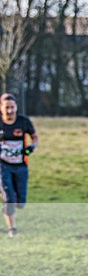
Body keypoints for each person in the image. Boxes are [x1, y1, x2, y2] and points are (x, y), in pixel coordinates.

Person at [0, 93, 38, 237]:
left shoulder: (23, 122)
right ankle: (12, 229)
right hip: (3, 165)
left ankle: (8, 196)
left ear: (16, 107)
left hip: (21, 165)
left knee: (20, 202)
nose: (10, 111)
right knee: (8, 198)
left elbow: (34, 137)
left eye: (12, 107)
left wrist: (32, 146)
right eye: (6, 108)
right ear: (1, 108)